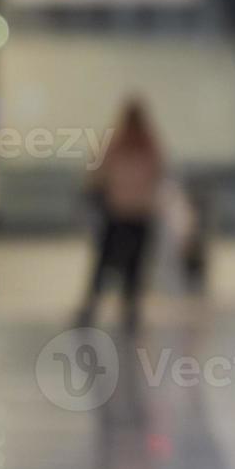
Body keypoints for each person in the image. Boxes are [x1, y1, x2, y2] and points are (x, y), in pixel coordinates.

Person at [77, 98, 163, 336]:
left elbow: (97, 173)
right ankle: (128, 313)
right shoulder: (146, 144)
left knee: (105, 267)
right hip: (137, 215)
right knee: (130, 269)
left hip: (120, 213)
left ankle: (95, 311)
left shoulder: (120, 143)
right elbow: (159, 174)